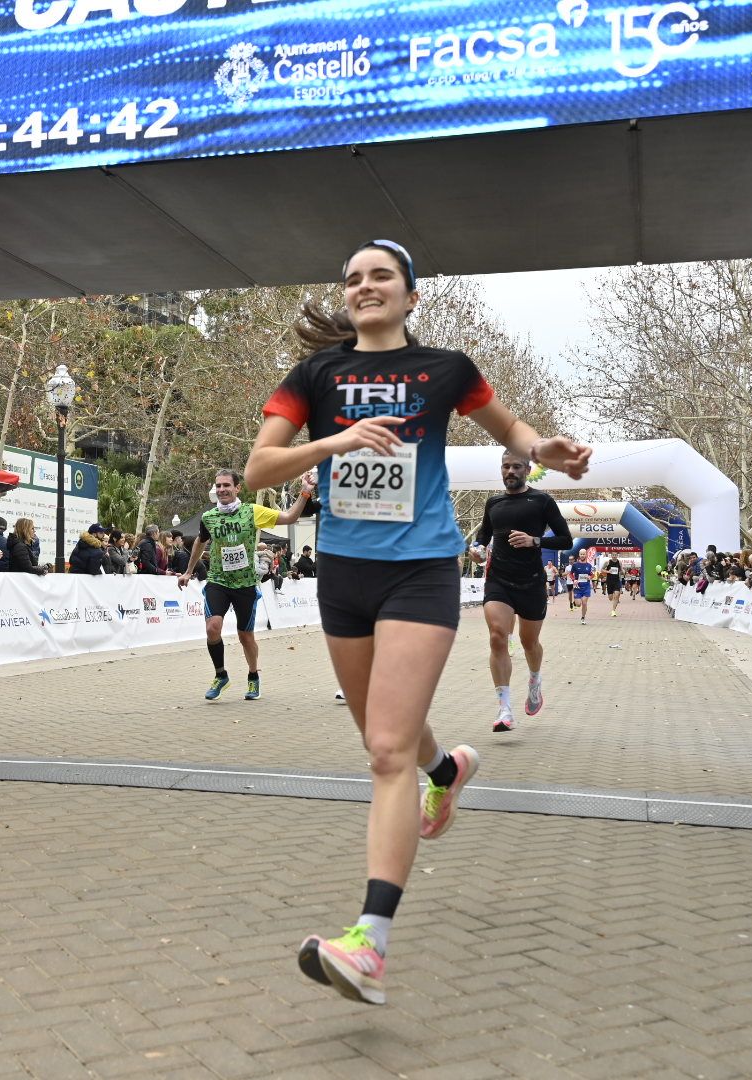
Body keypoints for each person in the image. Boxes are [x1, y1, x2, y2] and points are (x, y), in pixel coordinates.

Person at [244, 238, 590, 1006]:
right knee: (384, 737)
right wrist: (335, 441)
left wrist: (548, 449)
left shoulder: (447, 371)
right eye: (354, 279)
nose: (365, 287)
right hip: (343, 575)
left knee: (384, 751)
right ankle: (448, 771)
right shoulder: (317, 377)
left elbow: (511, 433)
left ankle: (370, 941)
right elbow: (256, 471)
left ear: (410, 295)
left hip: (420, 570)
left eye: (382, 277)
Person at [178, 468, 313, 701]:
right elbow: (200, 542)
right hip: (218, 581)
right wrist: (188, 571)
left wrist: (305, 492)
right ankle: (221, 675)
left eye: (226, 485)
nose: (222, 490)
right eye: (218, 486)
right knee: (212, 628)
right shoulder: (209, 518)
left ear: (237, 488)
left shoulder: (252, 512)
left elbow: (290, 517)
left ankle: (253, 677)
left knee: (245, 636)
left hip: (246, 584)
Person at [474, 449, 572, 731]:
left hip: (530, 582)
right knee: (497, 637)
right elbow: (483, 537)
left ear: (527, 470)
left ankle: (534, 680)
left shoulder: (541, 501)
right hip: (499, 580)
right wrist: (478, 552)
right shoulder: (493, 503)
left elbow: (566, 540)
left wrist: (534, 541)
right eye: (506, 467)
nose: (510, 472)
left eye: (516, 467)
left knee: (530, 643)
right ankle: (504, 709)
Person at [570, 551, 594, 621]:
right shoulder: (575, 565)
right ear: (579, 555)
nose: (582, 555)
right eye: (581, 554)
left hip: (586, 587)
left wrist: (590, 577)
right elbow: (571, 574)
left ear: (586, 555)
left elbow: (592, 574)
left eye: (584, 554)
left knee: (584, 602)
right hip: (578, 587)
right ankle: (576, 601)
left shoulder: (589, 565)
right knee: (578, 604)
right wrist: (574, 580)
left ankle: (583, 617)